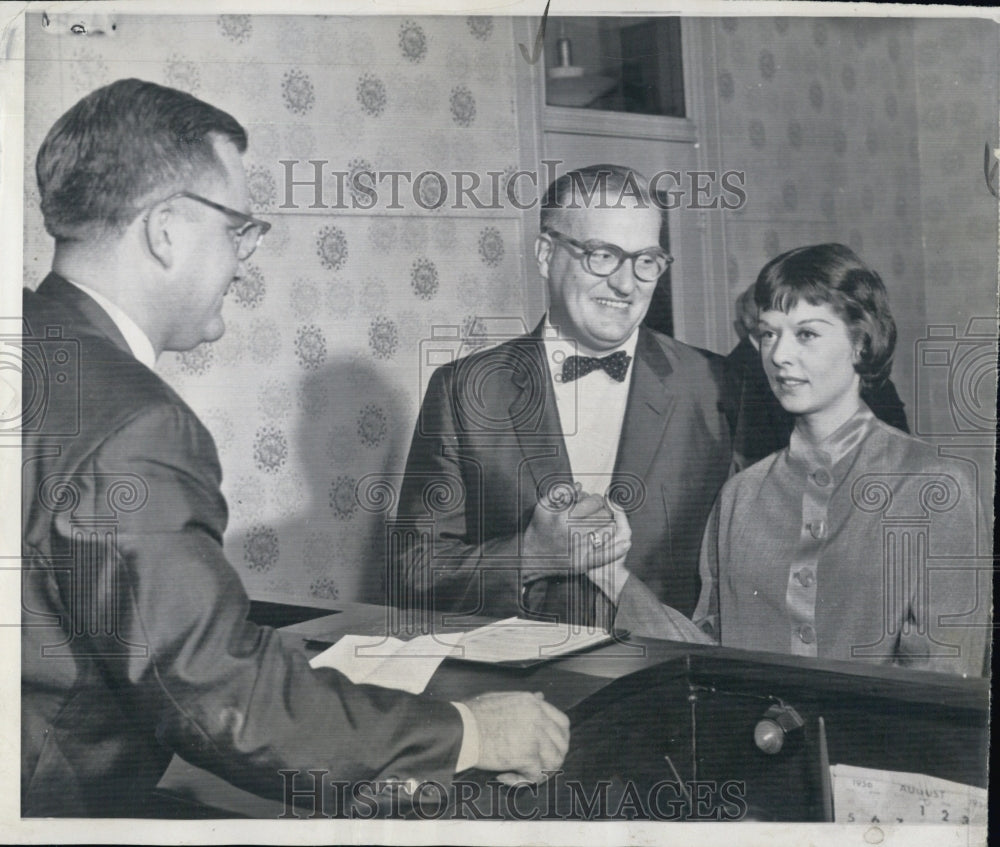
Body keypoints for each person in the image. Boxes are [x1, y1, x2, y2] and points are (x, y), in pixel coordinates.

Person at [21, 79, 569, 818]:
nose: (246, 263)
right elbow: (219, 697)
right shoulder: (134, 423)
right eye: (239, 230)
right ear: (165, 230)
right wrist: (471, 730)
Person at [615, 244, 990, 676]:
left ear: (861, 343)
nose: (778, 355)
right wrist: (611, 577)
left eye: (806, 334)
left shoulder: (933, 486)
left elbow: (943, 684)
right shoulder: (740, 494)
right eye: (768, 333)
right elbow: (709, 657)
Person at [394, 165, 740, 627]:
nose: (626, 284)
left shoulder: (714, 384)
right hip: (522, 680)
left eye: (646, 260)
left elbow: (745, 567)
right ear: (544, 254)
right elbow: (413, 570)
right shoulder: (465, 389)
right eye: (602, 255)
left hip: (669, 683)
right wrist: (531, 556)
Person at [728, 281, 910, 464]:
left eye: (807, 333)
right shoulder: (730, 377)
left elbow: (897, 434)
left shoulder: (862, 365)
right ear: (749, 321)